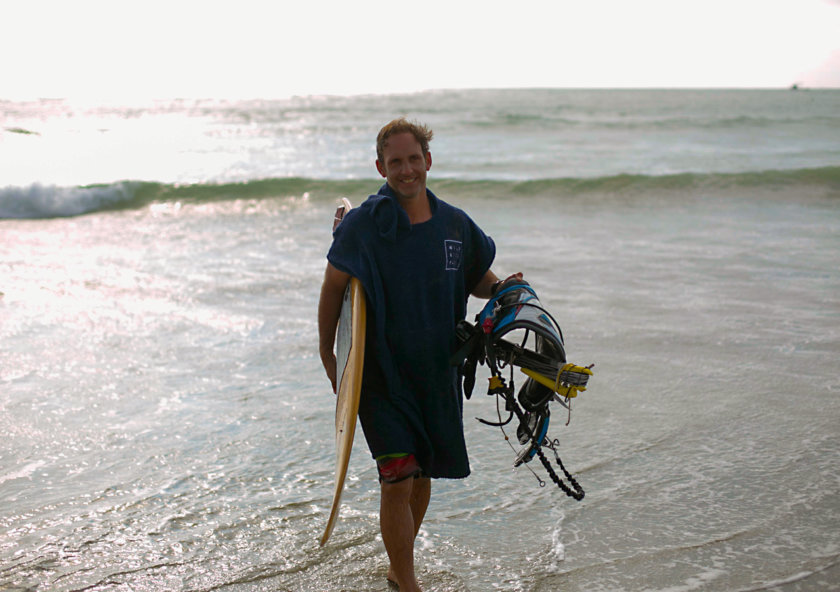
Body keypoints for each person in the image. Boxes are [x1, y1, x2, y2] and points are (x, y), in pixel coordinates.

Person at [318, 118, 518, 591]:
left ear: (427, 160)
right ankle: (407, 582)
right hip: (381, 375)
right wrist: (329, 356)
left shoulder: (454, 223)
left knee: (422, 473)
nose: (406, 170)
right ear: (380, 167)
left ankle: (396, 566)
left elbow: (475, 277)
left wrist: (505, 290)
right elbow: (333, 288)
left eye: (413, 160)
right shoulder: (366, 225)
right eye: (395, 162)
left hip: (436, 371)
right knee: (398, 476)